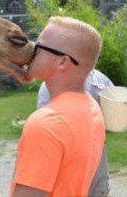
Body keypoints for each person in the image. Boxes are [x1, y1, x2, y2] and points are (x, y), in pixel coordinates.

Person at [10, 16, 105, 197]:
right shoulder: (92, 109)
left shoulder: (47, 123)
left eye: (38, 47)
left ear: (63, 62)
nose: (30, 51)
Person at [37, 69, 113, 197]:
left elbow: (119, 104)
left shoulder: (101, 81)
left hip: (97, 161)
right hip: (68, 160)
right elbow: (45, 129)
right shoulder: (50, 85)